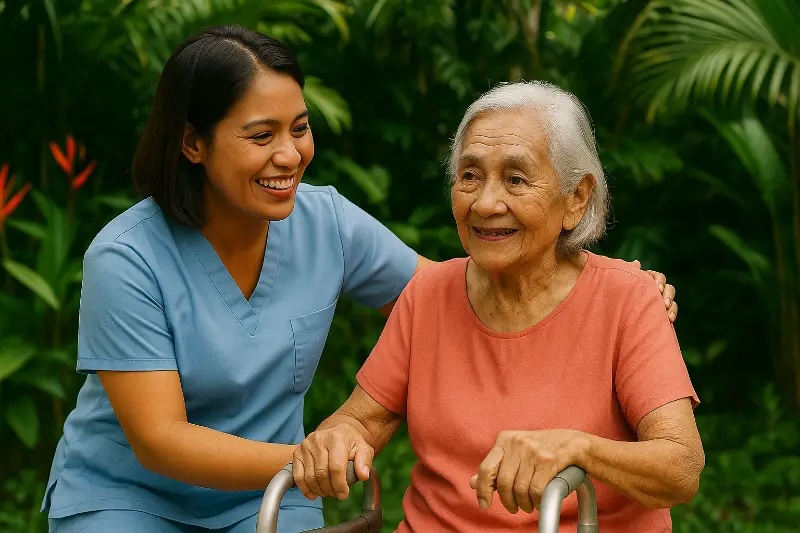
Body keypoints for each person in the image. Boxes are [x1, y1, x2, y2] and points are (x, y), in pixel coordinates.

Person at [42, 26, 678, 533]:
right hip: (136, 496)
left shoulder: (326, 222)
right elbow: (160, 440)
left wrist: (621, 295)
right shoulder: (126, 257)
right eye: (261, 135)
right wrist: (318, 454)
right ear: (192, 143)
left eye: (300, 128)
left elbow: (457, 294)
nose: (289, 154)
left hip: (270, 497)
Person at [292, 81, 703, 532]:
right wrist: (338, 439)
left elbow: (681, 467)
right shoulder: (428, 294)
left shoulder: (627, 299)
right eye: (469, 176)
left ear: (576, 198)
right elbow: (361, 419)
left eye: (515, 179)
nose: (486, 203)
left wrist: (579, 449)